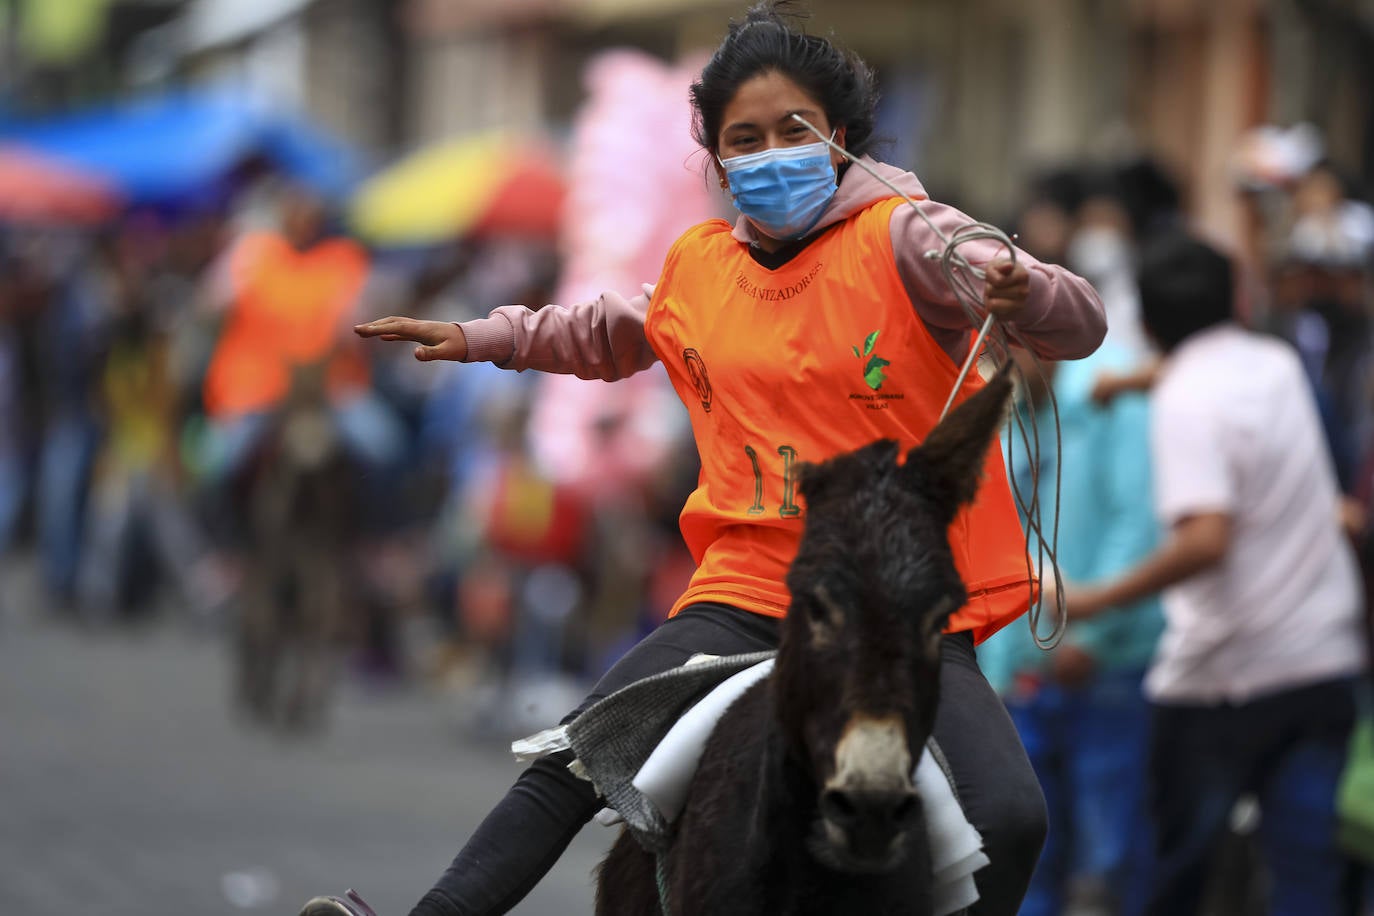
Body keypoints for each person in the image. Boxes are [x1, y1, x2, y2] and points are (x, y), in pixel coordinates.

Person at [301, 3, 1106, 914]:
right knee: (573, 757)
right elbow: (600, 331)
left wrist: (1025, 284)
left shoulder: (914, 234)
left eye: (792, 130)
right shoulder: (699, 264)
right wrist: (475, 335)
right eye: (744, 139)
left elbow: (1079, 320)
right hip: (745, 593)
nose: (769, 153)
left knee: (1013, 815)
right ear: (717, 157)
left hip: (893, 606)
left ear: (839, 135)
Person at [1065, 233, 1368, 916]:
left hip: (1221, 681)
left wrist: (1097, 598)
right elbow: (1203, 380)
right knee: (1307, 876)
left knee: (1175, 876)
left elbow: (1207, 537)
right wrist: (1130, 380)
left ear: (1144, 324)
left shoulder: (1184, 401)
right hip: (1320, 664)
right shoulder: (1277, 363)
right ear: (1237, 301)